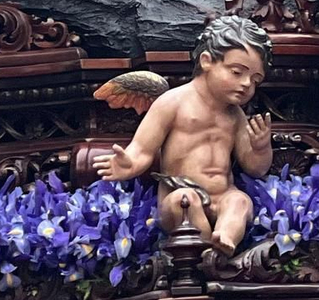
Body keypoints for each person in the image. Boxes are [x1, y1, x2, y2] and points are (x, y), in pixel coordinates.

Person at [93, 15, 274, 254]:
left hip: (222, 196)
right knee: (185, 202)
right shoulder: (173, 102)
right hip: (179, 195)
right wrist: (129, 164)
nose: (246, 85)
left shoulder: (236, 116)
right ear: (207, 61)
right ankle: (209, 252)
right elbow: (143, 148)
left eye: (255, 80)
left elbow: (255, 168)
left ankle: (225, 239)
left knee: (239, 201)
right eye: (237, 72)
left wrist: (260, 148)